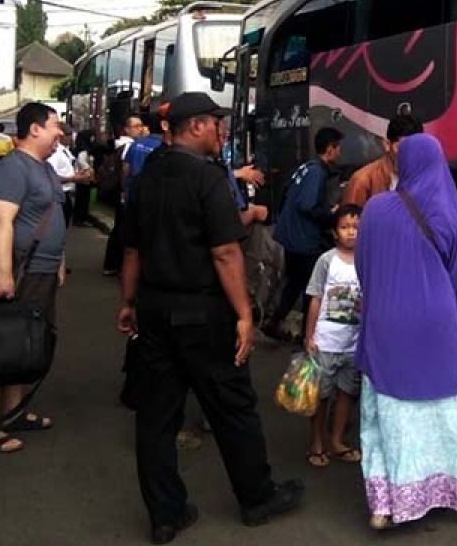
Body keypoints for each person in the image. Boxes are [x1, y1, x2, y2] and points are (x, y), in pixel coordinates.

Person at [118, 92, 303, 542]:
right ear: (196, 126)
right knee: (234, 407)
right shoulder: (207, 178)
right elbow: (224, 252)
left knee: (157, 416)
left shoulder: (146, 177)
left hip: (155, 310)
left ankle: (165, 513)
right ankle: (257, 497)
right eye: (216, 125)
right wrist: (244, 313)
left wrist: (128, 303)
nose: (221, 134)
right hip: (203, 312)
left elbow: (132, 250)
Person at [354, 133, 457, 529]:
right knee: (439, 412)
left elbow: (363, 271)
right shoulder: (451, 211)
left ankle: (384, 505)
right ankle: (440, 494)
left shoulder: (375, 209)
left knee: (387, 415)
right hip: (436, 325)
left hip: (386, 321)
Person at [0, 102, 68, 454]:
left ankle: (13, 412)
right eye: (56, 125)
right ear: (35, 129)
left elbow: (50, 217)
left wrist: (59, 261)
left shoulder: (45, 169)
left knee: (26, 344)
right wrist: (5, 273)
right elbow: (1, 222)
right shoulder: (12, 169)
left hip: (41, 273)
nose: (60, 133)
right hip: (20, 273)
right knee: (1, 344)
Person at [263, 127, 343, 341]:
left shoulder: (307, 167)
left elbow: (287, 193)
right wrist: (330, 215)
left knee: (295, 282)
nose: (340, 152)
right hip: (304, 240)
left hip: (291, 237)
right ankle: (309, 335)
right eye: (337, 148)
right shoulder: (318, 172)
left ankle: (274, 321)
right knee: (312, 287)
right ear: (329, 149)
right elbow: (308, 205)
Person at [303, 204, 364, 468]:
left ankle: (337, 440)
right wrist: (309, 336)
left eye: (357, 227)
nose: (351, 233)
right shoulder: (326, 261)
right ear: (334, 232)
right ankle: (317, 442)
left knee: (347, 392)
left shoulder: (368, 259)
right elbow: (315, 298)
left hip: (354, 342)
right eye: (345, 227)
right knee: (321, 395)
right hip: (326, 341)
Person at [103, 115, 154, 275]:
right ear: (126, 129)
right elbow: (125, 169)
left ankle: (113, 265)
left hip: (126, 193)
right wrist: (125, 190)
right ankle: (116, 266)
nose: (140, 129)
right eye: (136, 126)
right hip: (127, 194)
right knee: (124, 231)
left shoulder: (133, 145)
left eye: (141, 125)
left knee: (121, 229)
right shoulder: (128, 145)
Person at [340, 114, 423, 207]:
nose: (408, 154)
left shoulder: (424, 177)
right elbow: (349, 220)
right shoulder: (362, 181)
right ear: (387, 144)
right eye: (401, 148)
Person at [48, 128, 89, 226]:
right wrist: (73, 179)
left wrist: (77, 175)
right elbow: (50, 176)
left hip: (66, 195)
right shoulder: (56, 153)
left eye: (71, 134)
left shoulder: (65, 150)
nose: (71, 138)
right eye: (68, 134)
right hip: (58, 194)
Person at [71, 130, 96, 226]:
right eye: (91, 137)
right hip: (84, 177)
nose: (92, 139)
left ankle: (78, 219)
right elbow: (82, 161)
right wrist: (89, 169)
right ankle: (81, 219)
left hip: (81, 177)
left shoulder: (79, 147)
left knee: (81, 198)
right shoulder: (83, 149)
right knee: (83, 199)